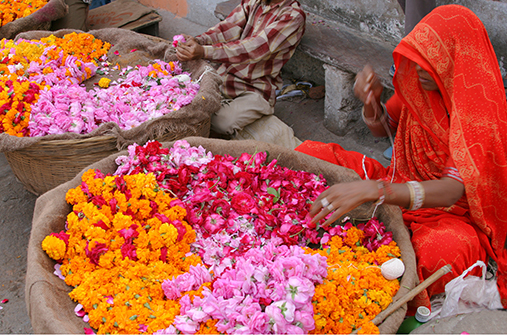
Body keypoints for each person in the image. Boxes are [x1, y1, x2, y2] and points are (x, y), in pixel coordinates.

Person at [296, 5, 507, 312]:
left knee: (441, 253)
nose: (420, 68)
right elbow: (385, 128)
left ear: (454, 60)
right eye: (419, 60)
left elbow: (452, 190)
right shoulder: (419, 86)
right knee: (310, 154)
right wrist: (370, 103)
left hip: (448, 212)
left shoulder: (479, 114)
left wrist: (377, 192)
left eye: (430, 61)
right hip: (398, 180)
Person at [175, 0, 305, 138]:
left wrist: (204, 52)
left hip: (256, 89)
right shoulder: (254, 2)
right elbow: (227, 28)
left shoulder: (293, 16)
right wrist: (199, 41)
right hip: (225, 76)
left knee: (221, 123)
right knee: (185, 102)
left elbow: (254, 48)